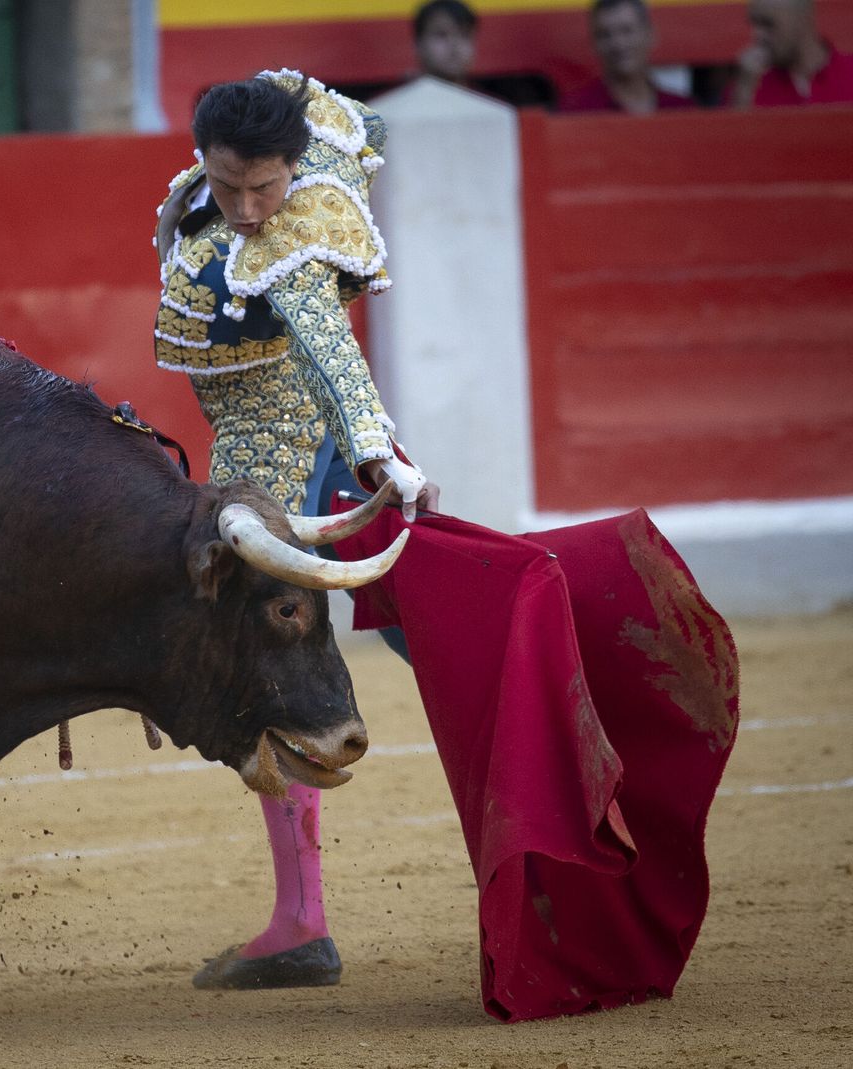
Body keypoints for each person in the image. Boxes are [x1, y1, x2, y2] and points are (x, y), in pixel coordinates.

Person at [153, 69, 438, 989]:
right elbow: (373, 122)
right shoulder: (284, 152)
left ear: (294, 167)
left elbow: (328, 343)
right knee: (419, 621)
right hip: (280, 441)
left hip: (282, 453)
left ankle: (301, 921)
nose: (245, 208)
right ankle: (299, 915)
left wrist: (382, 457)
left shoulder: (299, 228)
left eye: (264, 186)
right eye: (228, 183)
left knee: (273, 662)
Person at [558, 0, 697, 114]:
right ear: (593, 44)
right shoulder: (576, 111)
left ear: (650, 34)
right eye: (605, 35)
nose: (618, 44)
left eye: (627, 31)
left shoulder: (682, 109)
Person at [411, 0, 555, 107]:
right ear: (418, 44)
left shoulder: (493, 109)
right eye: (441, 35)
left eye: (464, 35)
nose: (454, 45)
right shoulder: (398, 110)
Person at [731, 0, 853, 106]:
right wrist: (744, 92)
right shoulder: (748, 84)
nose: (758, 35)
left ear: (802, 18)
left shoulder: (849, 73)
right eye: (754, 24)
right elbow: (734, 131)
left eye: (768, 24)